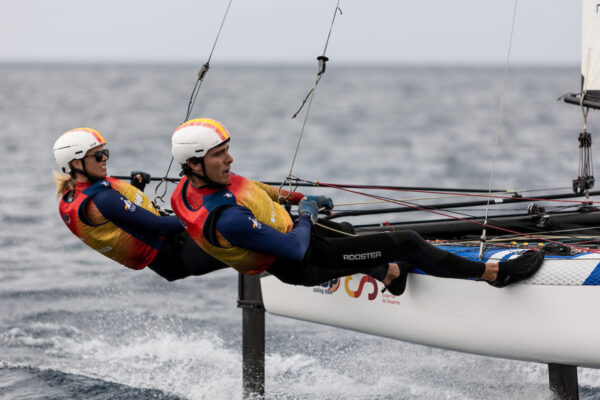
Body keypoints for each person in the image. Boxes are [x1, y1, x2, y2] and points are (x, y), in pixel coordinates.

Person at [169, 118, 545, 295]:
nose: (230, 159)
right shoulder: (228, 220)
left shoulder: (190, 187)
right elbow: (295, 248)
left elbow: (254, 188)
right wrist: (307, 215)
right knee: (408, 240)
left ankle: (392, 277)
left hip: (301, 237)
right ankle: (494, 274)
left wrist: (298, 199)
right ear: (194, 164)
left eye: (228, 150)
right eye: (220, 155)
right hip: (303, 262)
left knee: (350, 233)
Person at [53, 127, 227, 281]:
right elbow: (160, 227)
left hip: (176, 249)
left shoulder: (71, 198)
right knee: (242, 233)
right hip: (180, 254)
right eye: (98, 155)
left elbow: (123, 221)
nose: (105, 158)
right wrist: (209, 211)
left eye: (105, 152)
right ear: (76, 163)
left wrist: (137, 189)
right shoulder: (102, 200)